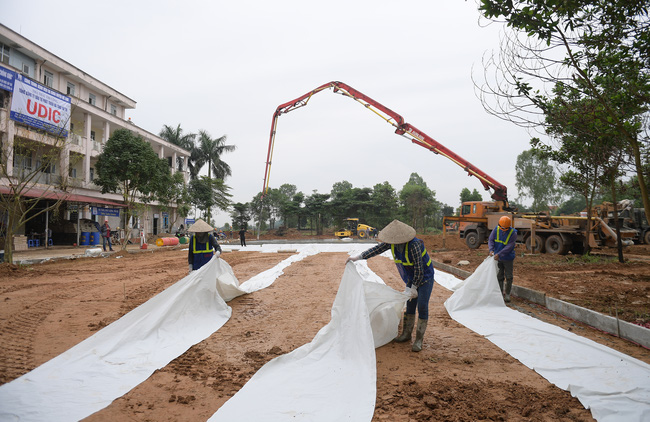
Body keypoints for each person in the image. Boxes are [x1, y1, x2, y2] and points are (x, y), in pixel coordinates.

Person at [347, 219, 435, 352]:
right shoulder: (392, 244)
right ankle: (406, 334)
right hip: (411, 278)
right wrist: (358, 257)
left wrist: (414, 287)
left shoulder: (415, 245)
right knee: (410, 305)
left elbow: (419, 268)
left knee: (422, 305)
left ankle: (418, 340)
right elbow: (377, 249)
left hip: (425, 277)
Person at [488, 215, 518, 303]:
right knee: (499, 276)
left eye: (506, 228)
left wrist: (499, 254)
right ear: (499, 225)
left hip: (508, 258)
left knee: (509, 277)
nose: (503, 230)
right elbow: (491, 240)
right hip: (498, 258)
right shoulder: (496, 230)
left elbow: (509, 246)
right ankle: (500, 293)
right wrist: (491, 250)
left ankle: (507, 294)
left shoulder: (513, 233)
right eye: (502, 228)